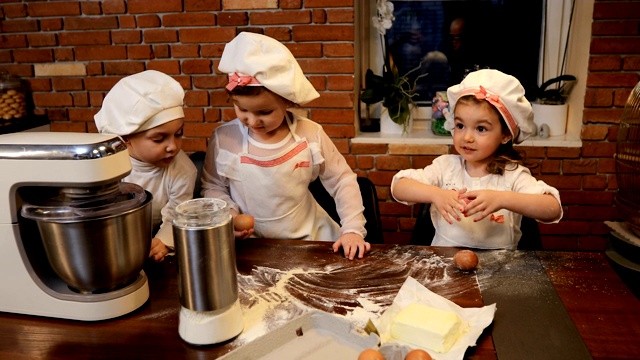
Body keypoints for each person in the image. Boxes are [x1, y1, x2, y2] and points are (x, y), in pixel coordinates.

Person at [200, 32, 370, 260]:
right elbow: (213, 187)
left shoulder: (309, 135)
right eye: (242, 109)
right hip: (251, 249)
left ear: (288, 101)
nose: (252, 121)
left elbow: (342, 181)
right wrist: (228, 215)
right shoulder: (224, 139)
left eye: (265, 112)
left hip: (313, 243)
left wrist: (352, 230)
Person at [391, 69, 562, 249]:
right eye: (460, 125)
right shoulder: (445, 167)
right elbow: (399, 187)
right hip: (445, 267)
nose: (467, 138)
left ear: (505, 134)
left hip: (501, 270)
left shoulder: (512, 174)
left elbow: (552, 209)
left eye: (480, 129)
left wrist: (502, 199)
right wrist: (436, 194)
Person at [94, 70, 197, 262]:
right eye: (159, 139)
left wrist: (163, 241)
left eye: (178, 134)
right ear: (126, 139)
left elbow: (178, 212)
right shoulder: (108, 166)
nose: (172, 147)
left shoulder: (182, 170)